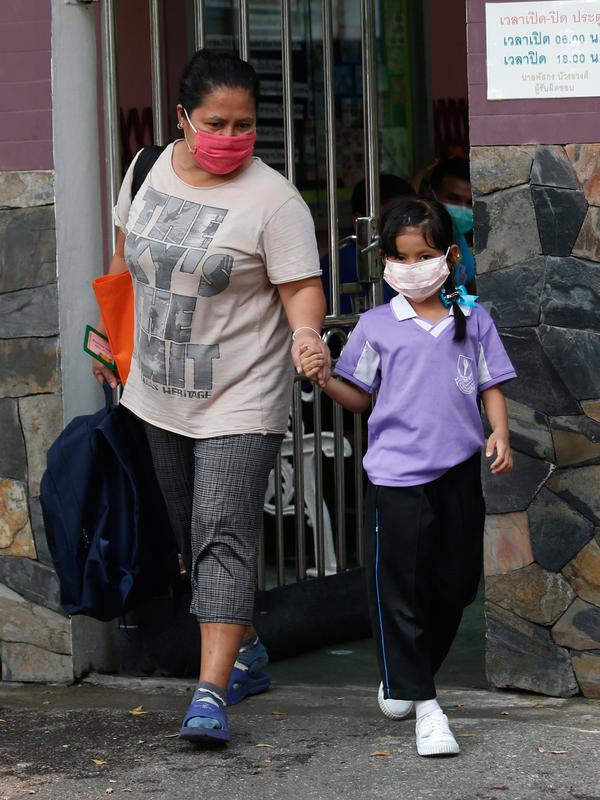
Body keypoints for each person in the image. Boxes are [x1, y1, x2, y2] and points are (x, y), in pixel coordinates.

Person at [91, 49, 329, 745]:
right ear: (182, 118)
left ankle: (209, 693)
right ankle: (246, 650)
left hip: (242, 393)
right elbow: (122, 262)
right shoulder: (146, 169)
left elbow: (300, 286)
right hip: (158, 390)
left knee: (223, 535)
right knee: (193, 538)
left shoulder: (272, 198)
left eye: (245, 123)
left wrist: (307, 334)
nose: (230, 135)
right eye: (216, 122)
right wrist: (109, 341)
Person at [300, 196, 516, 757]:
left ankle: (405, 675)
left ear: (447, 255)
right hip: (397, 478)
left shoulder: (474, 317)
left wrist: (499, 432)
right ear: (387, 263)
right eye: (400, 257)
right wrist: (325, 378)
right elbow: (359, 397)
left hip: (459, 472)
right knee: (400, 588)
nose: (412, 267)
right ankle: (426, 704)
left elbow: (491, 382)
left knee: (456, 585)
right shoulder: (375, 326)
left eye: (423, 255)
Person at [320, 174, 416, 314]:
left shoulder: (412, 257)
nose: (405, 228)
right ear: (359, 221)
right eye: (393, 220)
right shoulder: (345, 263)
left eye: (411, 219)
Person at [429, 157, 476, 290]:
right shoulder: (416, 244)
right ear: (431, 195)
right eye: (453, 199)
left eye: (469, 203)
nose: (462, 209)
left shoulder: (460, 240)